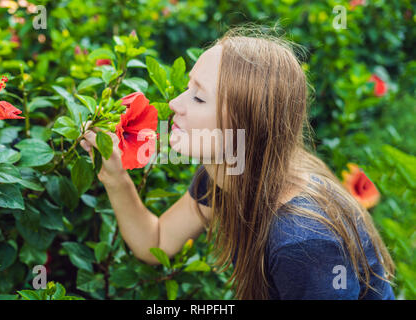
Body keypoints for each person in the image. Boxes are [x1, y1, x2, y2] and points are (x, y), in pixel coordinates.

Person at [80, 26, 396, 300]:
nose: (175, 103)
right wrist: (116, 178)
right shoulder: (225, 176)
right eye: (188, 88)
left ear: (246, 127)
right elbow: (157, 242)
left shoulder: (303, 242)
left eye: (198, 97)